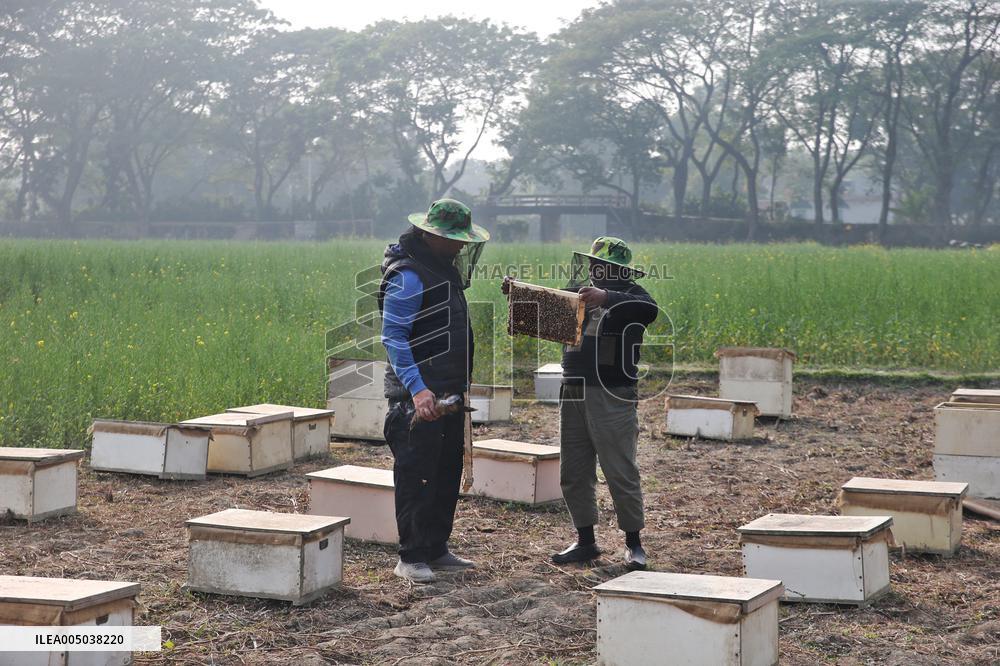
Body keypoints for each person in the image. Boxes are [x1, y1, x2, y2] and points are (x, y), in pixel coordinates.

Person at [506, 236, 657, 570]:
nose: (593, 270)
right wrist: (520, 301)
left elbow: (649, 311)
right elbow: (548, 321)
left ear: (617, 270)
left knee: (619, 469)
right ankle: (585, 540)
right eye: (592, 264)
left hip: (612, 392)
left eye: (600, 266)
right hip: (572, 388)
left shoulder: (633, 297)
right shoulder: (577, 292)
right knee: (573, 469)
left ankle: (634, 543)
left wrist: (607, 297)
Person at [378, 198, 490, 584]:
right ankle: (410, 557)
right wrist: (418, 390)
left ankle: (436, 548)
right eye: (453, 238)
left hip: (448, 394)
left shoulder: (442, 269)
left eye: (464, 239)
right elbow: (394, 337)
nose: (461, 246)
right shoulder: (409, 275)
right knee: (416, 476)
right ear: (429, 235)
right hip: (417, 398)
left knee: (445, 472)